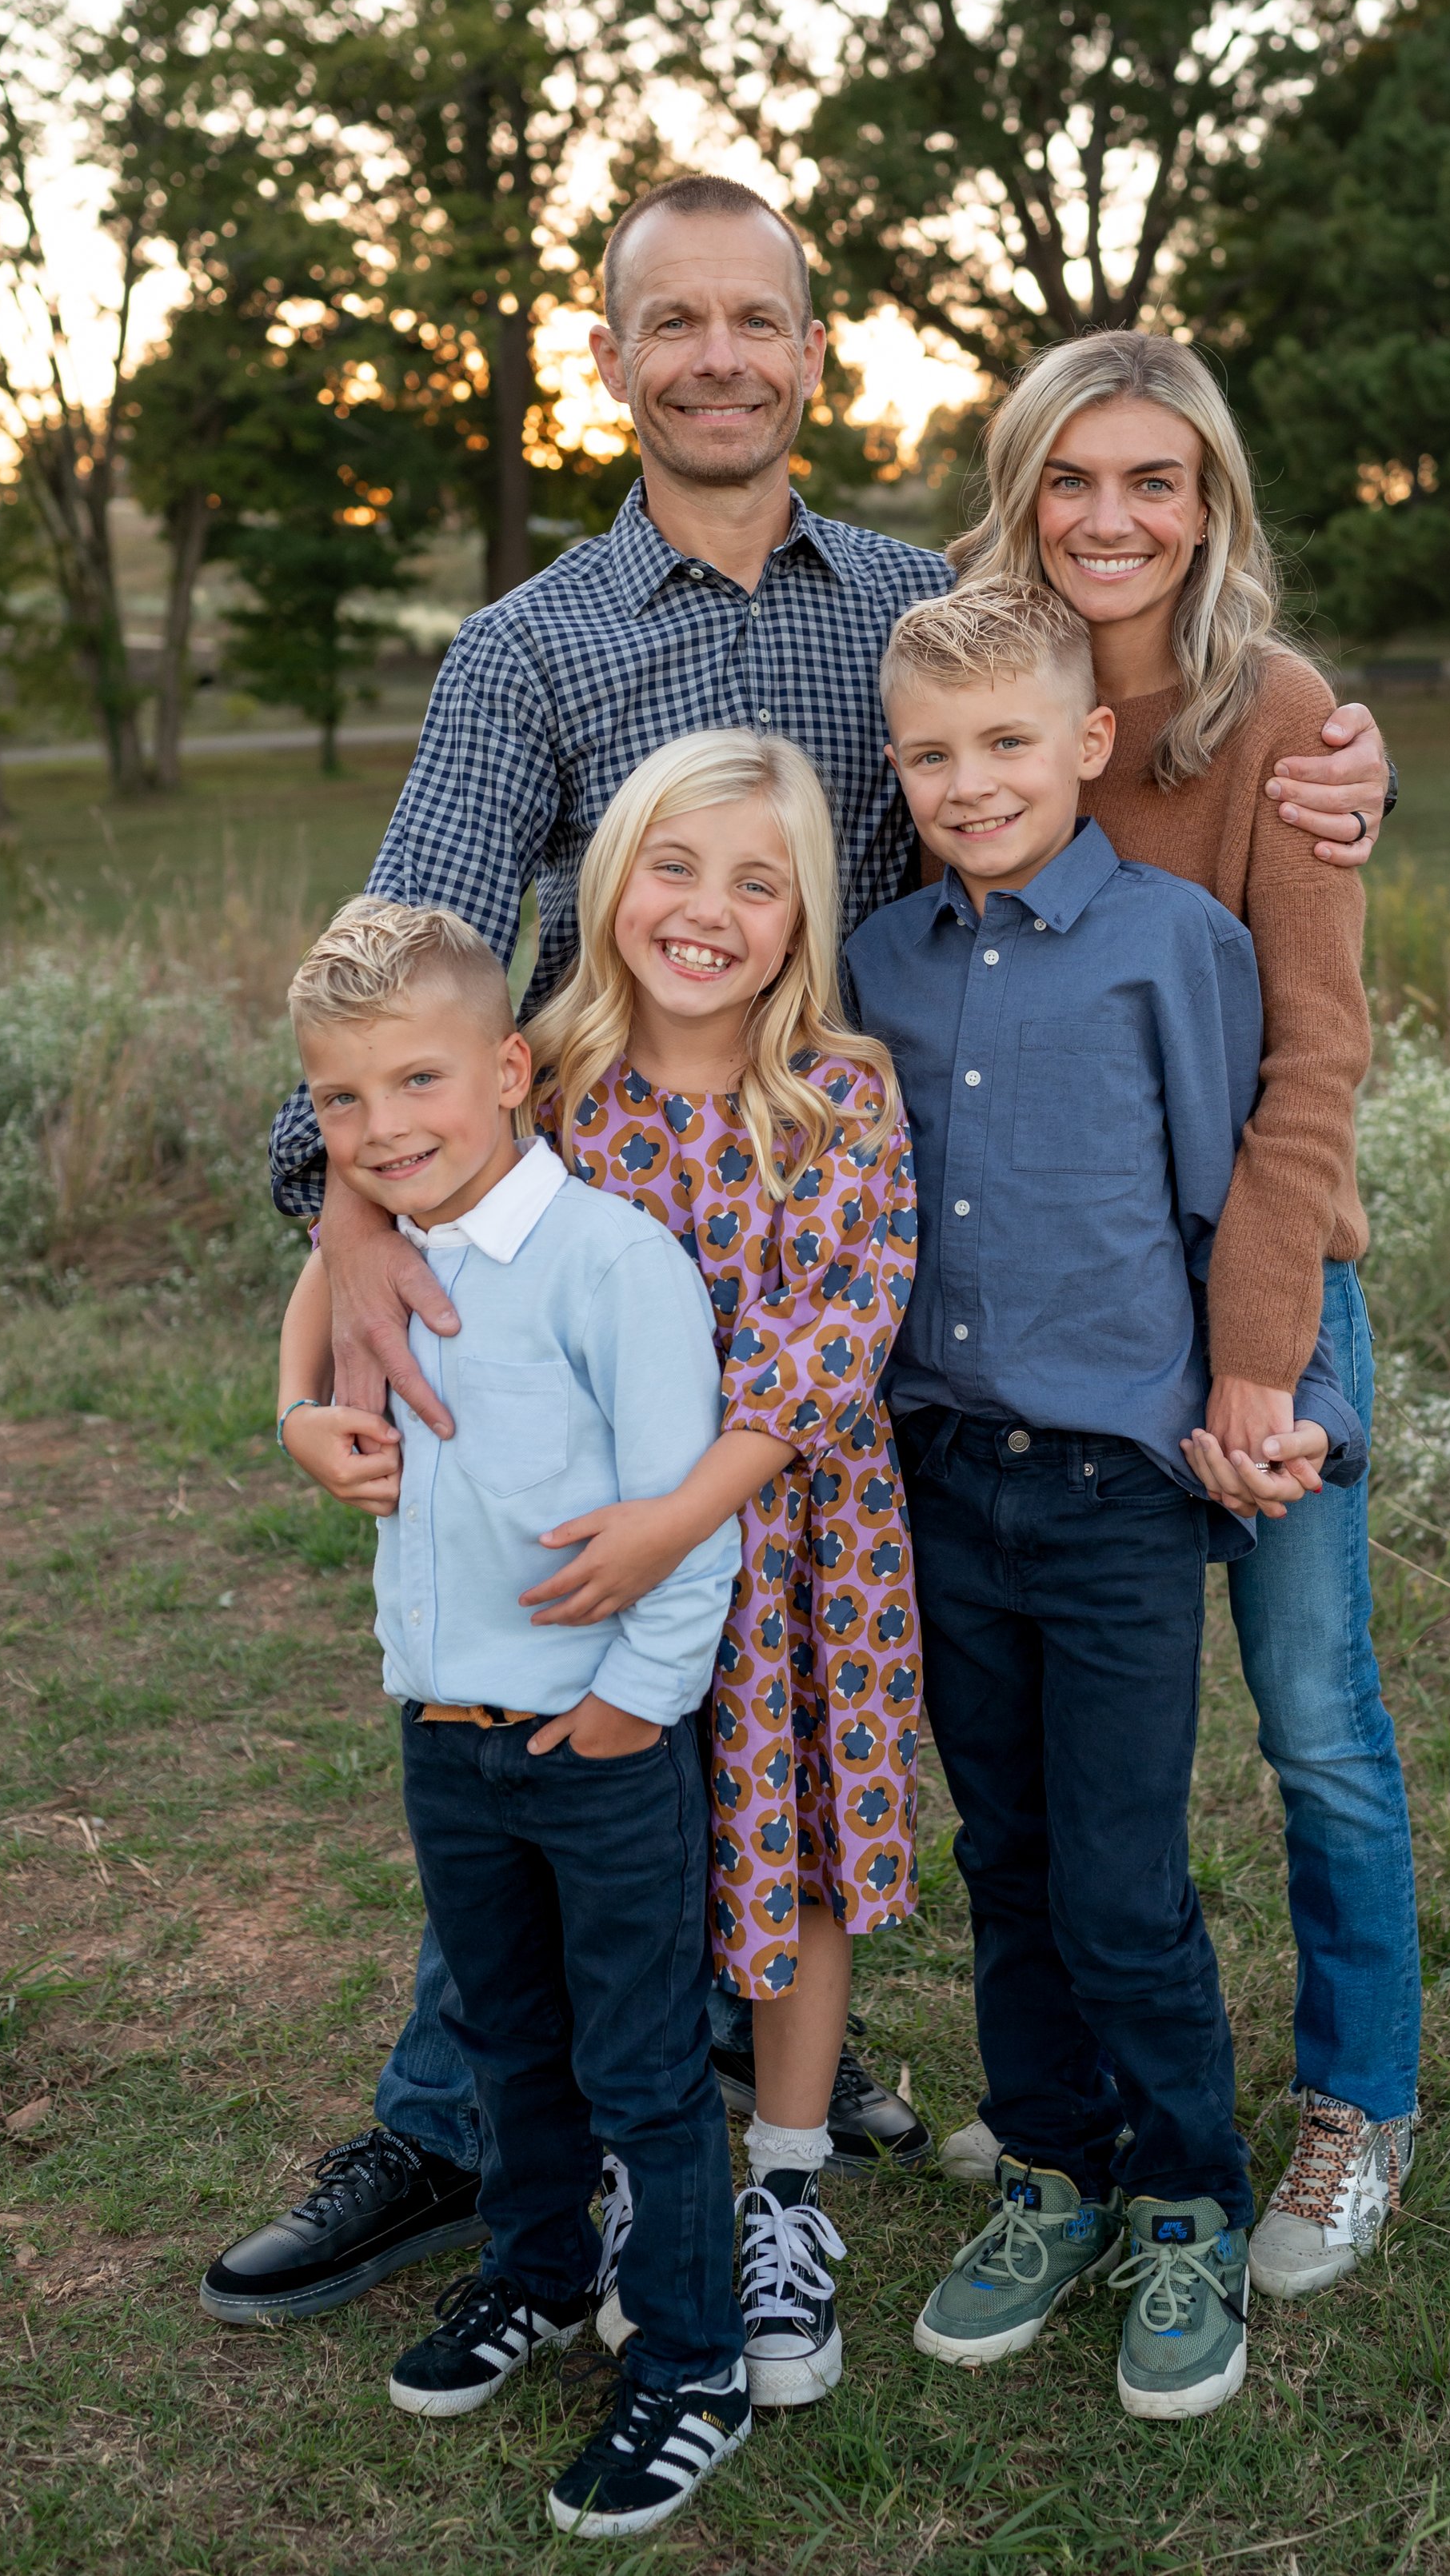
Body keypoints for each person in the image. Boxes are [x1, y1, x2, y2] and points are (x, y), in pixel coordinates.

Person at [214, 168, 1394, 2320]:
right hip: (609, 1239)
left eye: (757, 319)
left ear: (812, 352)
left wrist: (1335, 744)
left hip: (865, 1272)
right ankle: (457, 2106)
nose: (721, 356)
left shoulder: (903, 609)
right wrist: (353, 1208)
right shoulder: (529, 649)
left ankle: (833, 2084)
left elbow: (1112, 713)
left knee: (823, 1715)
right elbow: (411, 965)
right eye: (676, 324)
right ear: (612, 359)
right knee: (564, 1662)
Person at [933, 331, 1420, 2306]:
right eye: (1072, 477)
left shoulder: (1278, 715)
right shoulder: (979, 696)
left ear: (1207, 501)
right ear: (1021, 491)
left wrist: (1255, 1363)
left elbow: (1312, 1066)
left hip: (1257, 1310)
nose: (1110, 518)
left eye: (1155, 479)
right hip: (1052, 1335)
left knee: (1311, 1722)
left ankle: (1352, 2103)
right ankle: (1089, 2093)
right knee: (1054, 1761)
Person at [847, 583, 1284, 2422]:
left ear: (1085, 744)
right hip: (940, 1483)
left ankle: (1183, 2196)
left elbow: (1236, 1197)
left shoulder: (1168, 944)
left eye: (1008, 742)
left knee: (1117, 1883)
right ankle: (1050, 2170)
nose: (971, 781)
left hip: (1113, 1495)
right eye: (932, 754)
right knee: (1001, 1861)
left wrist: (1290, 1399)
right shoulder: (874, 964)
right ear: (896, 770)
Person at [268, 899, 750, 2539]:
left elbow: (693, 1520)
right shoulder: (379, 1274)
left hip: (596, 1746)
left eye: (415, 1082)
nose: (380, 1127)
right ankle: (539, 2272)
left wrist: (629, 1711)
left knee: (640, 2065)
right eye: (341, 1102)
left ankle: (691, 2360)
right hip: (446, 1739)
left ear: (509, 1069)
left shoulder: (611, 1261)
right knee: (501, 2038)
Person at [523, 728, 919, 2410]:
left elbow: (837, 1336)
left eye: (756, 884)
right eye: (673, 868)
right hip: (592, 1552)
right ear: (611, 879)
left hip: (793, 1549)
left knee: (798, 1841)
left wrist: (684, 1516)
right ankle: (645, 2175)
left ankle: (779, 2187)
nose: (706, 910)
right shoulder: (540, 1086)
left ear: (801, 918)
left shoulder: (838, 1092)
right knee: (623, 1860)